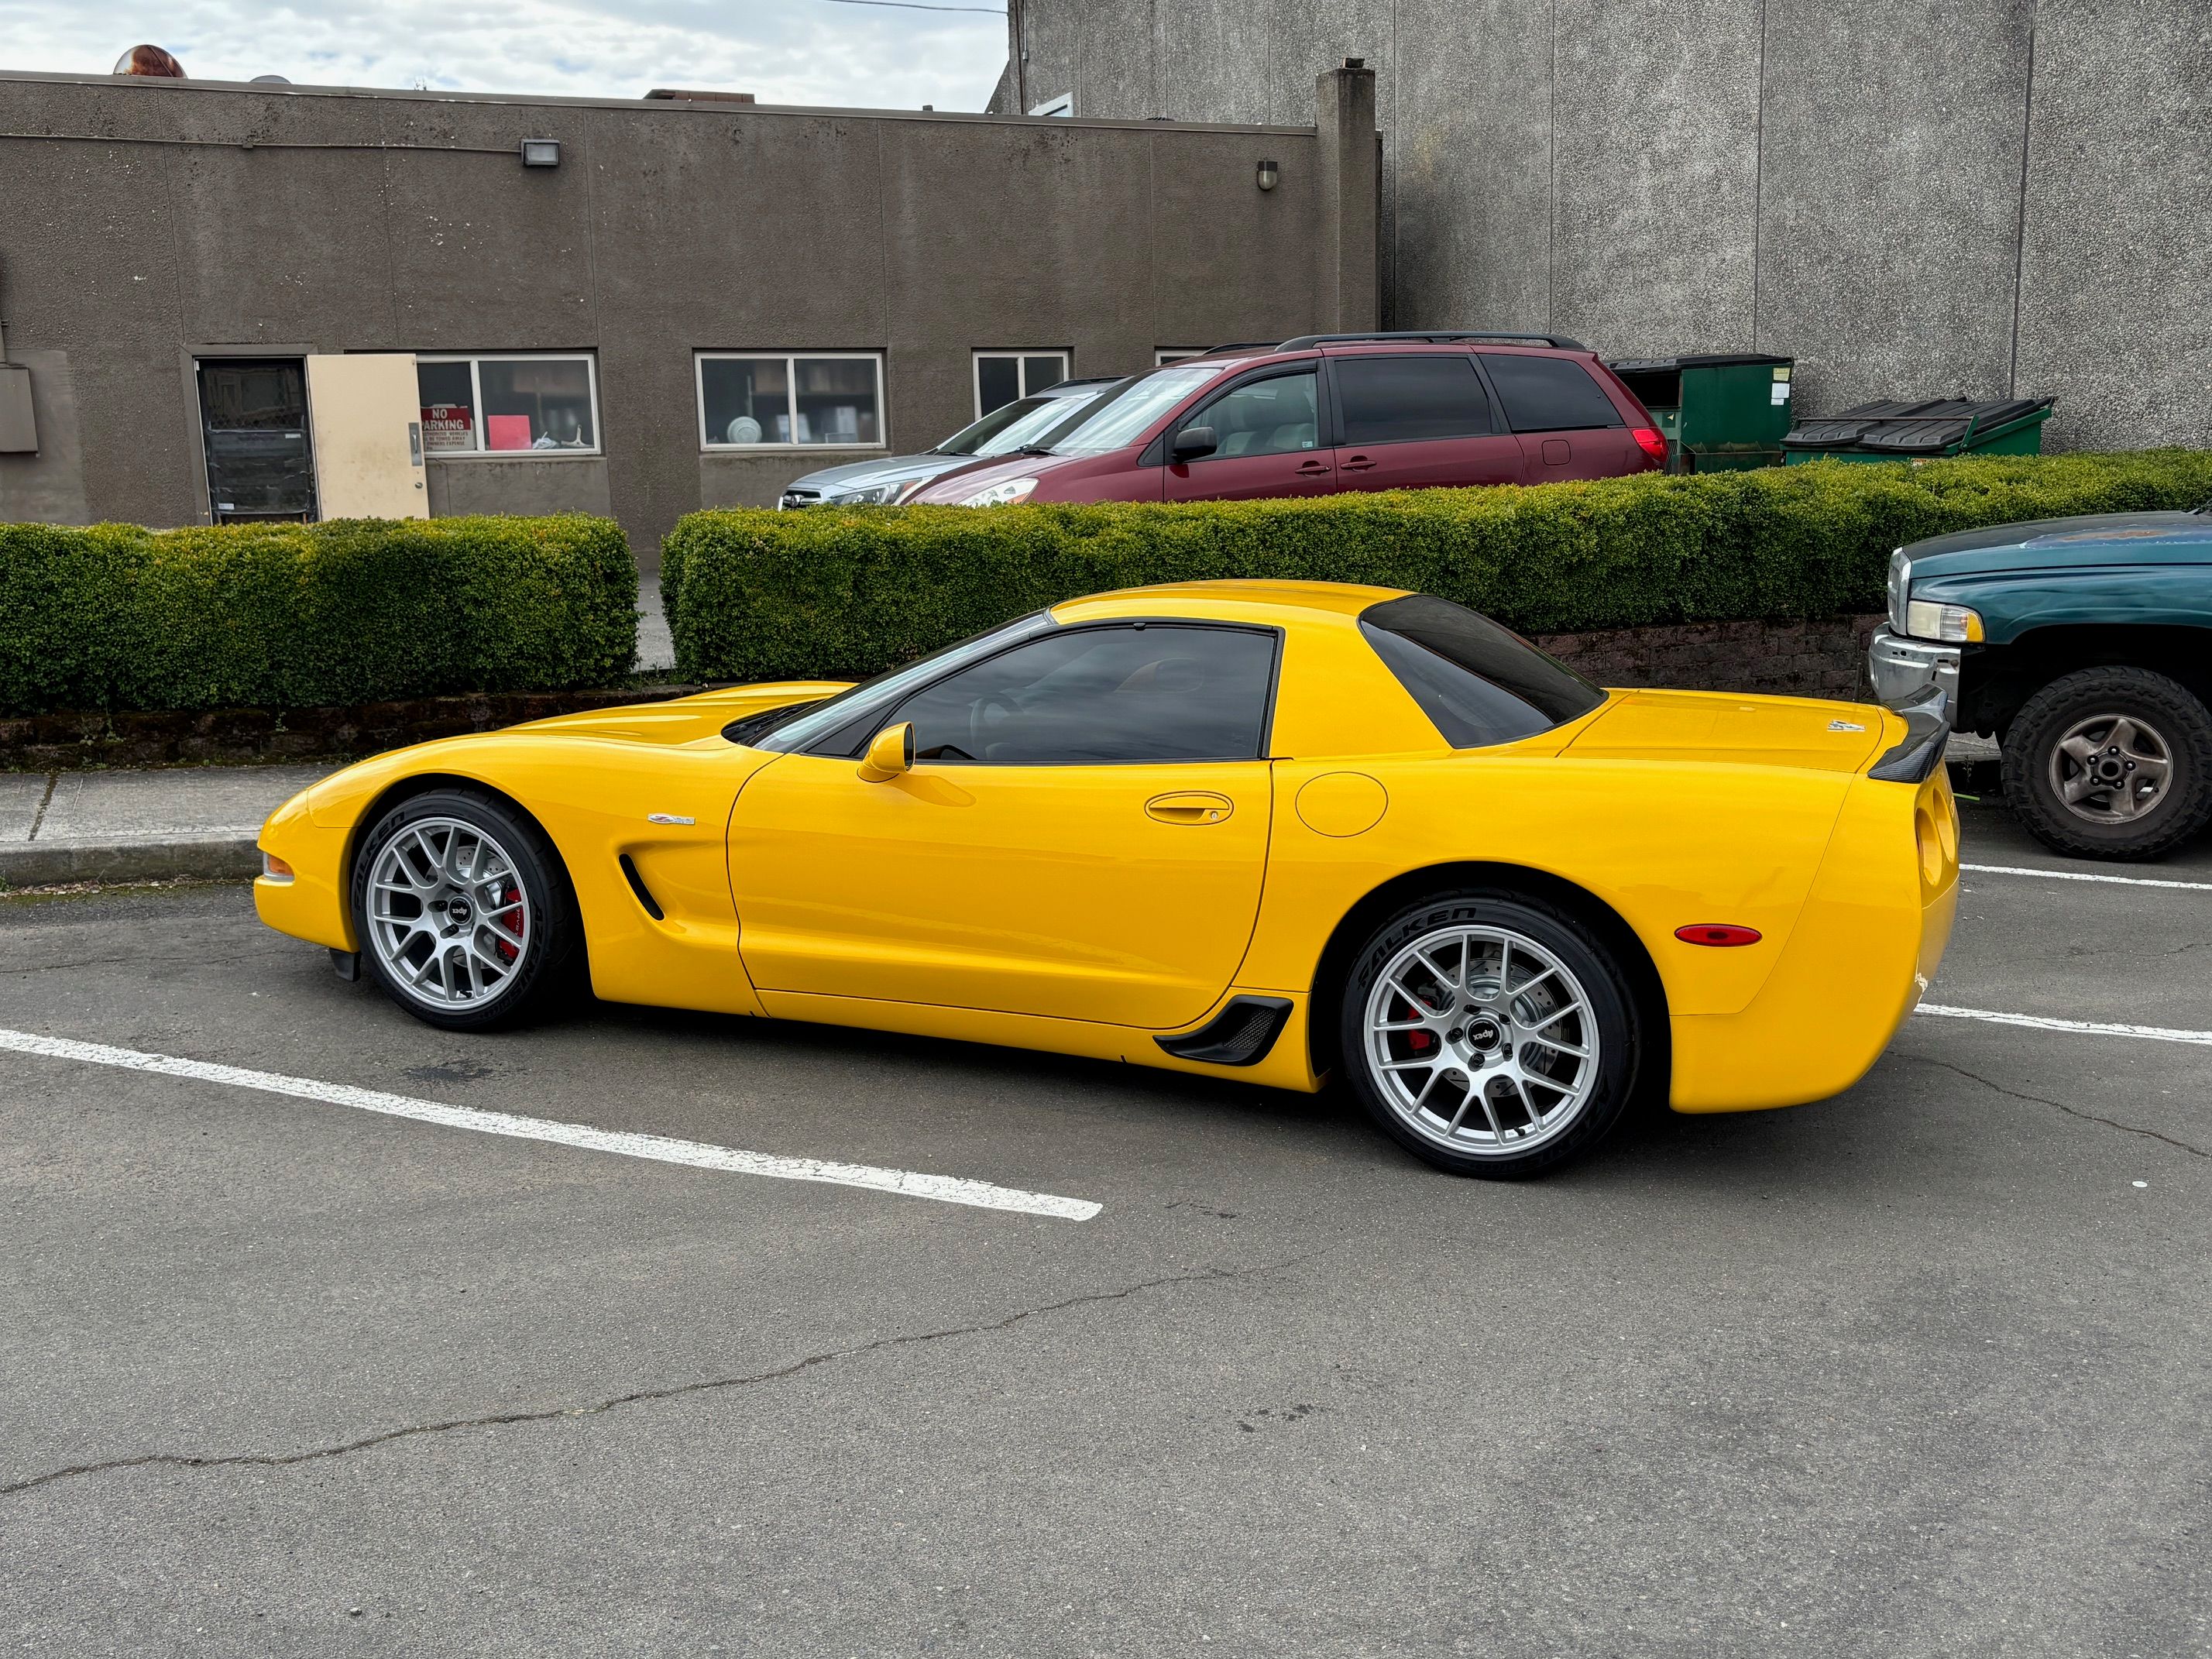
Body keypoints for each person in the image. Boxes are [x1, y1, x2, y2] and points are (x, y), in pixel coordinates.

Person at [113, 45, 186, 78]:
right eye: (145, 63)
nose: (152, 69)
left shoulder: (174, 79)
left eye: (158, 65)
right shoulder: (127, 80)